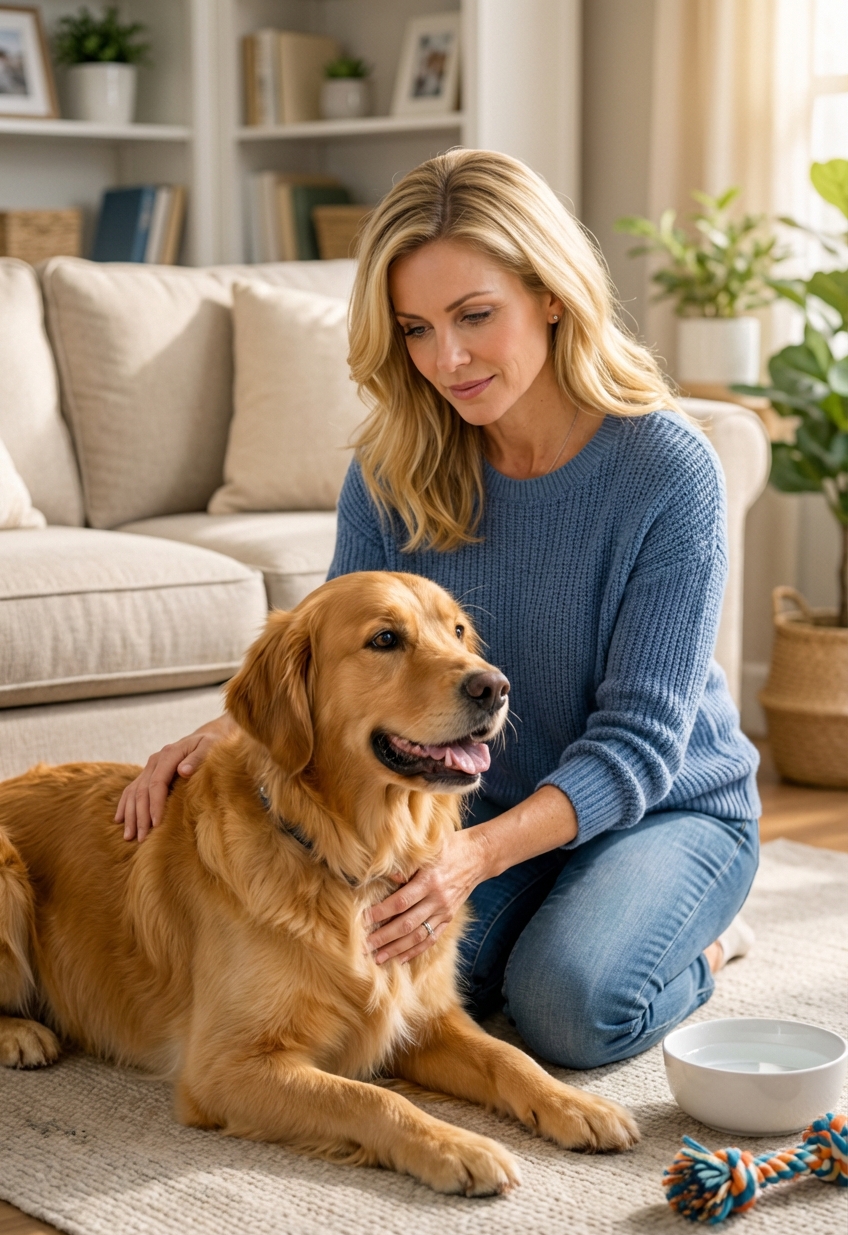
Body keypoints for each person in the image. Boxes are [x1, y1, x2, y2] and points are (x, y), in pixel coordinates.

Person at [117, 149, 760, 1070]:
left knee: (568, 1010)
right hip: (474, 797)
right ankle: (556, 914)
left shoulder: (667, 470)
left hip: (664, 807)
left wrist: (474, 859)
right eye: (416, 329)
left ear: (551, 295)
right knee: (387, 987)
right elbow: (339, 659)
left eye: (474, 316)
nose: (446, 359)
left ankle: (708, 942)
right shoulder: (393, 467)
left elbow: (640, 747)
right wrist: (220, 733)